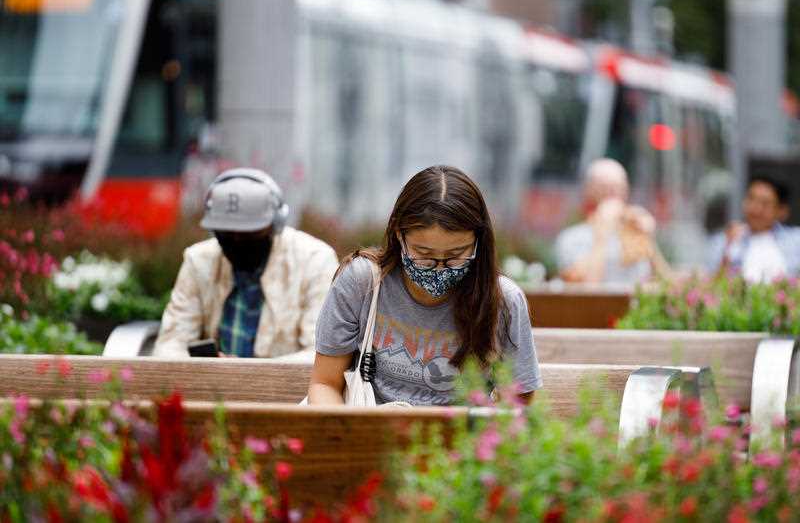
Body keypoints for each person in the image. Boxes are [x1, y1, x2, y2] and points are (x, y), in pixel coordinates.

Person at [307, 165, 542, 406]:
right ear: (399, 234)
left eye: (456, 254)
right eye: (423, 254)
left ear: (478, 242)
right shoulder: (362, 282)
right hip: (370, 431)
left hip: (458, 439)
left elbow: (518, 406)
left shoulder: (502, 300)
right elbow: (325, 383)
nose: (439, 268)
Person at [154, 168, 339, 358]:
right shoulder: (198, 261)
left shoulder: (315, 261)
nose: (237, 242)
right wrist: (208, 372)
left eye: (249, 234)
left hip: (287, 388)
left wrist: (246, 374)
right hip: (210, 385)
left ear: (276, 224)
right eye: (226, 234)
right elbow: (170, 343)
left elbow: (320, 355)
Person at [554, 158, 671, 284]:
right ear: (589, 191)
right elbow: (586, 290)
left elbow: (666, 283)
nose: (614, 193)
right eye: (605, 188)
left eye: (619, 187)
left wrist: (648, 240)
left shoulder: (634, 235)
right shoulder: (572, 238)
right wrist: (601, 236)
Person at [707, 175, 800, 282]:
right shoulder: (723, 241)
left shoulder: (795, 241)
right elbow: (713, 285)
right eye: (751, 199)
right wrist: (728, 248)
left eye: (765, 204)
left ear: (782, 211)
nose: (756, 209)